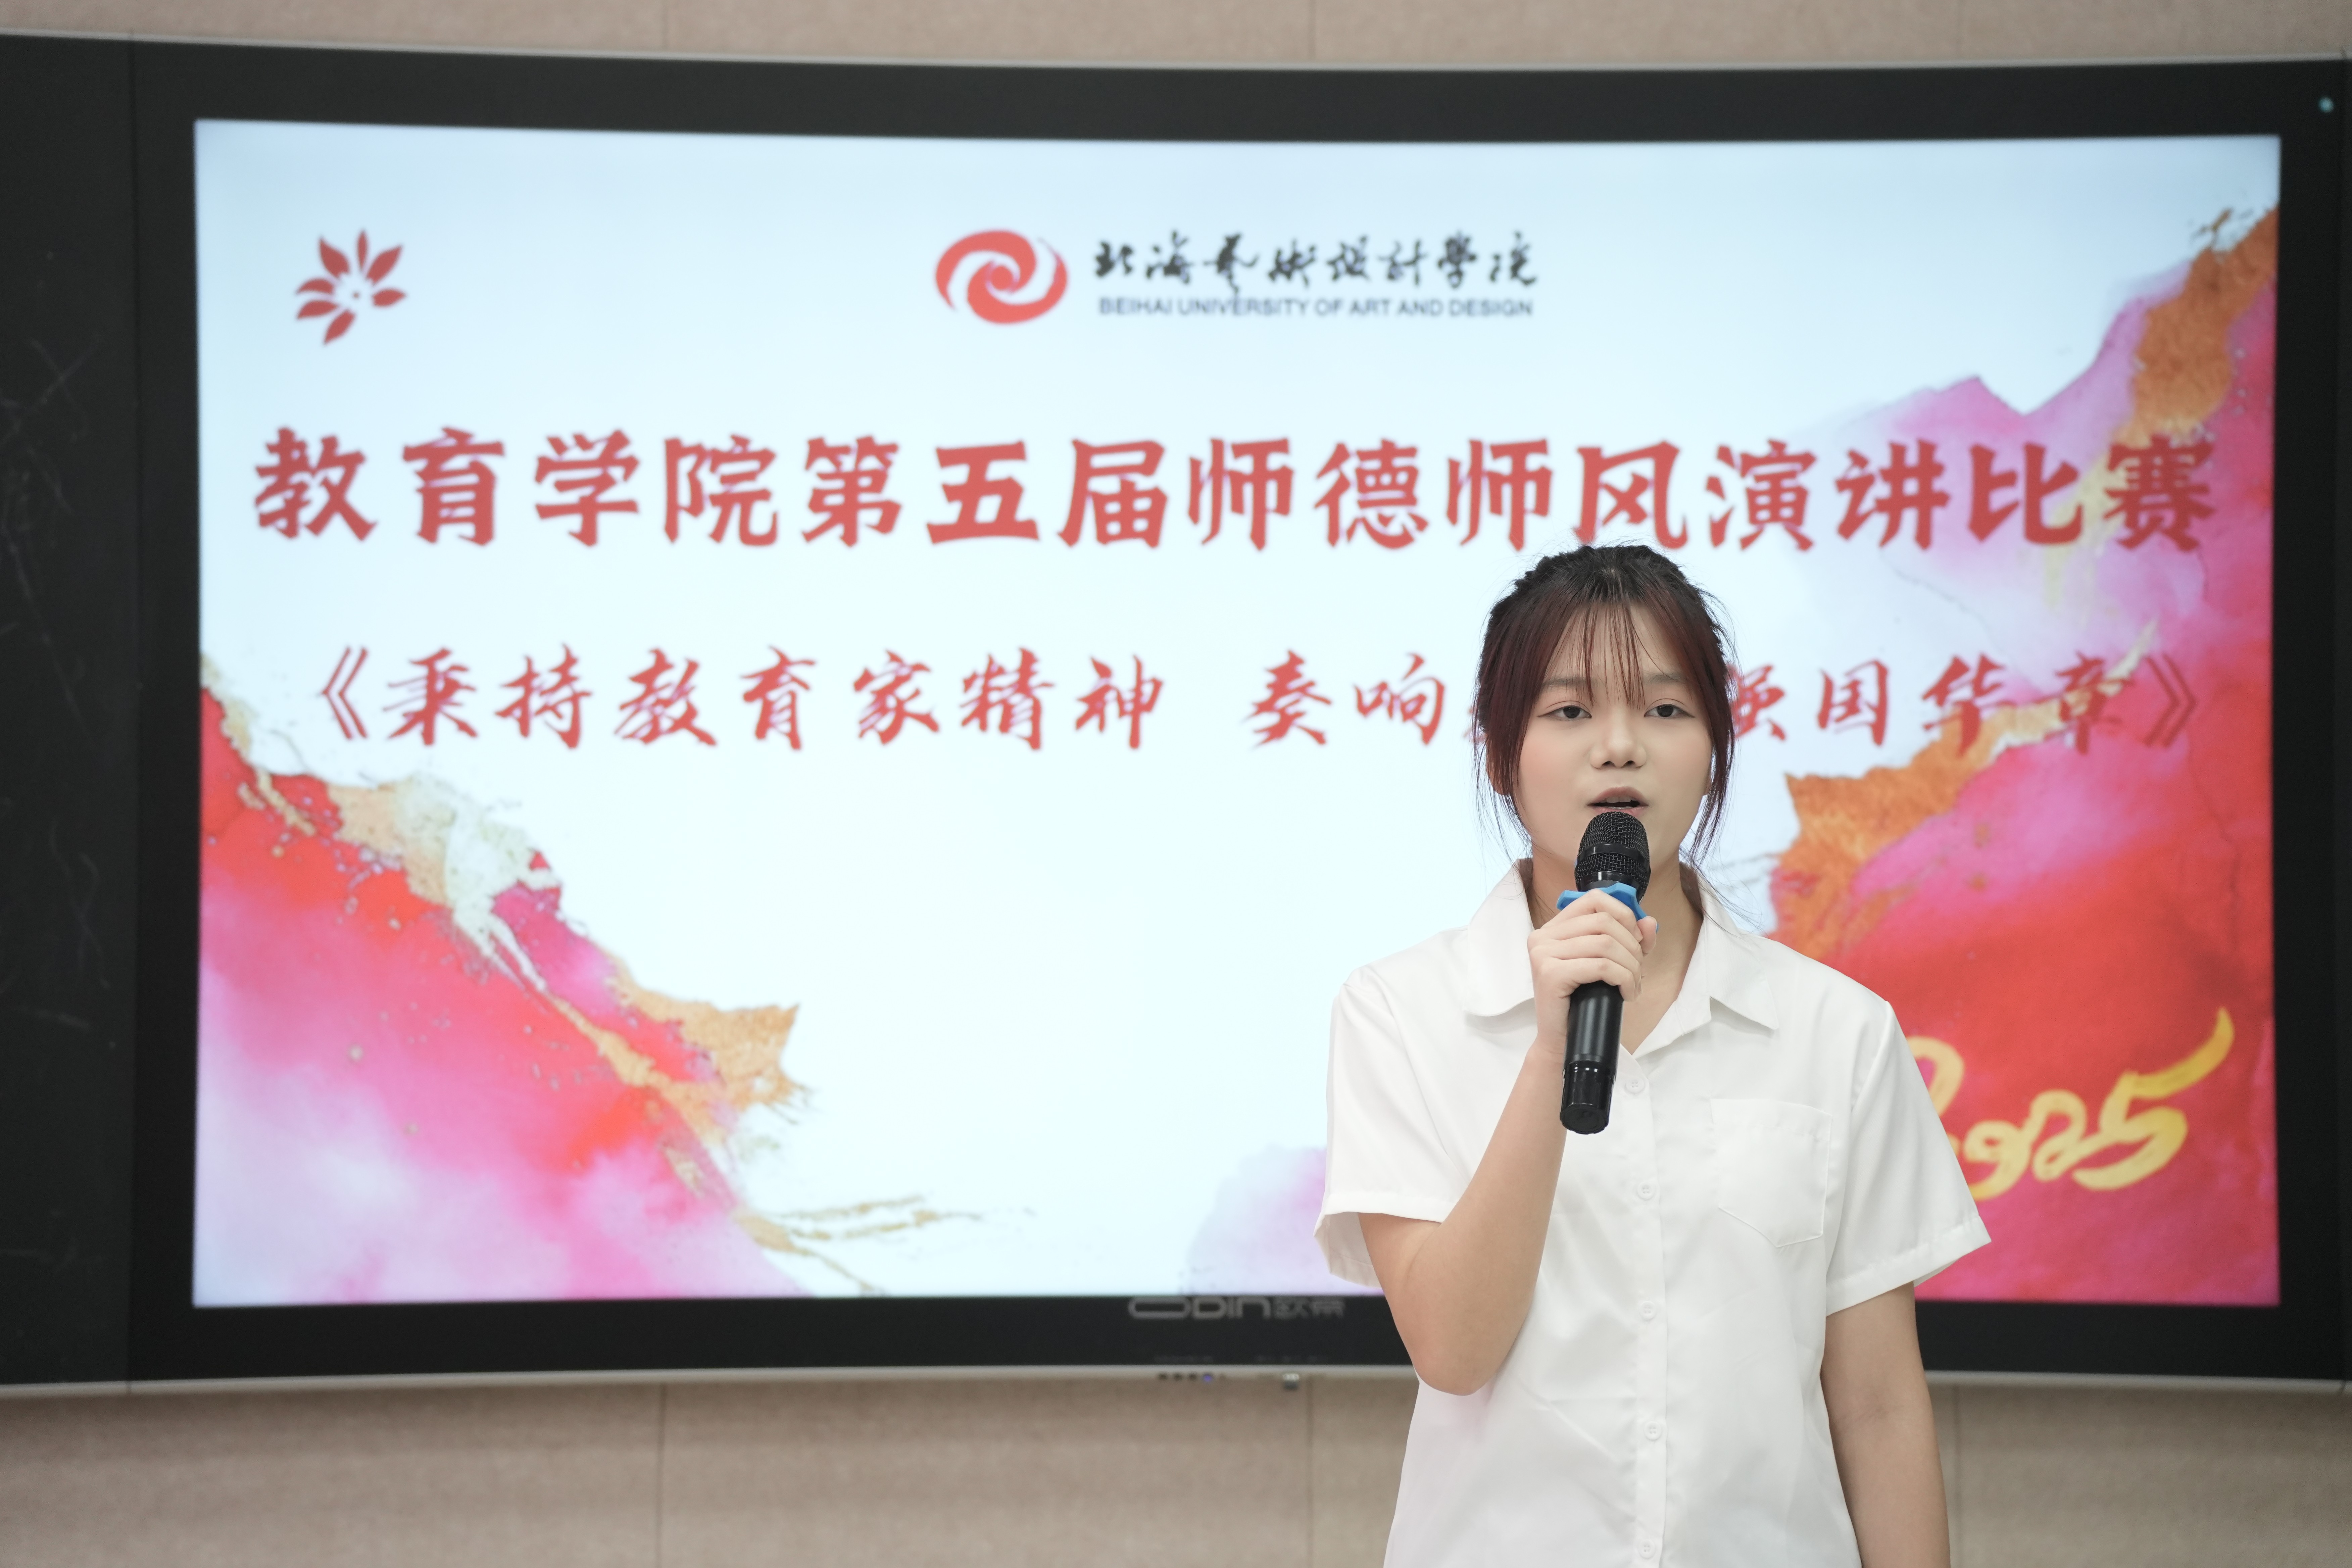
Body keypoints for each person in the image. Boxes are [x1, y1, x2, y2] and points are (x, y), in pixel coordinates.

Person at [1317, 543, 1988, 1567]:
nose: (1620, 747)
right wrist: (1552, 1049)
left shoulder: (1835, 1028)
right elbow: (1452, 1350)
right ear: (1501, 754)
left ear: (1715, 747)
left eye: (1666, 710)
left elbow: (1879, 1406)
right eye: (1570, 711)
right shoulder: (1401, 1012)